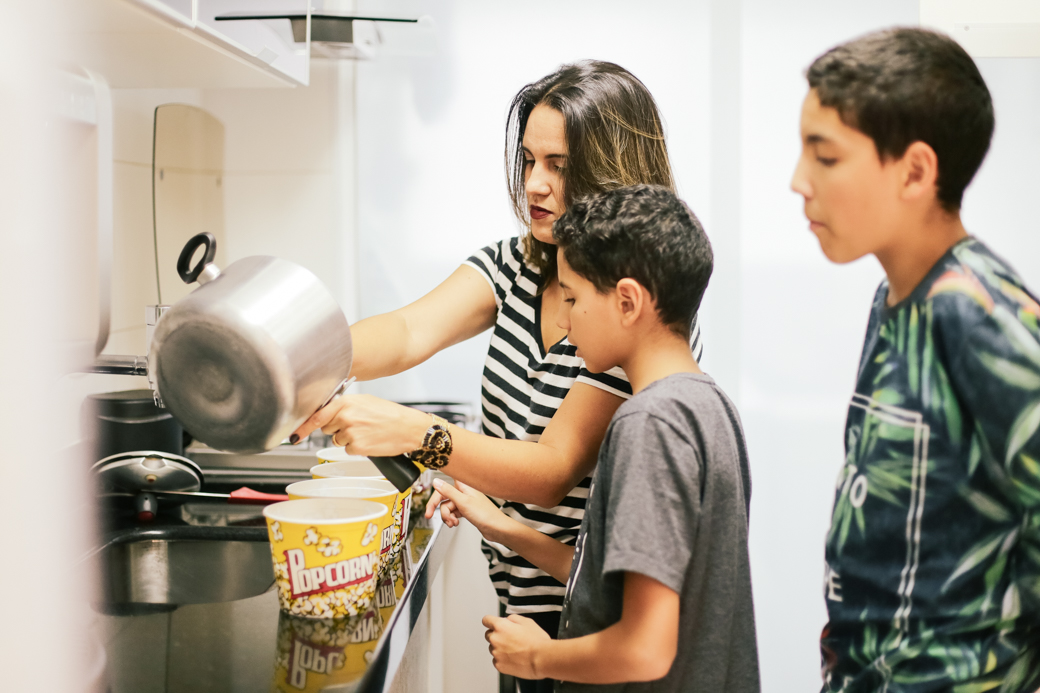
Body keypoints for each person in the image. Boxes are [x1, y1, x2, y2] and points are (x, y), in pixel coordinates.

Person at [291, 61, 703, 693]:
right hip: (525, 622)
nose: (535, 185)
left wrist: (410, 431)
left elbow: (551, 469)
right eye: (529, 160)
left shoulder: (633, 312)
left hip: (587, 636)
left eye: (560, 166)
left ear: (613, 173)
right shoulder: (515, 264)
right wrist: (298, 363)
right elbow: (406, 332)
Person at [430, 185, 759, 691]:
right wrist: (501, 527)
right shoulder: (710, 409)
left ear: (627, 301)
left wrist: (539, 657)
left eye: (573, 298)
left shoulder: (648, 425)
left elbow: (644, 648)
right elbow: (611, 588)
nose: (563, 321)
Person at [791, 28, 1040, 692]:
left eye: (826, 157)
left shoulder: (977, 313)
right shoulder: (893, 299)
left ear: (915, 171)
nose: (798, 182)